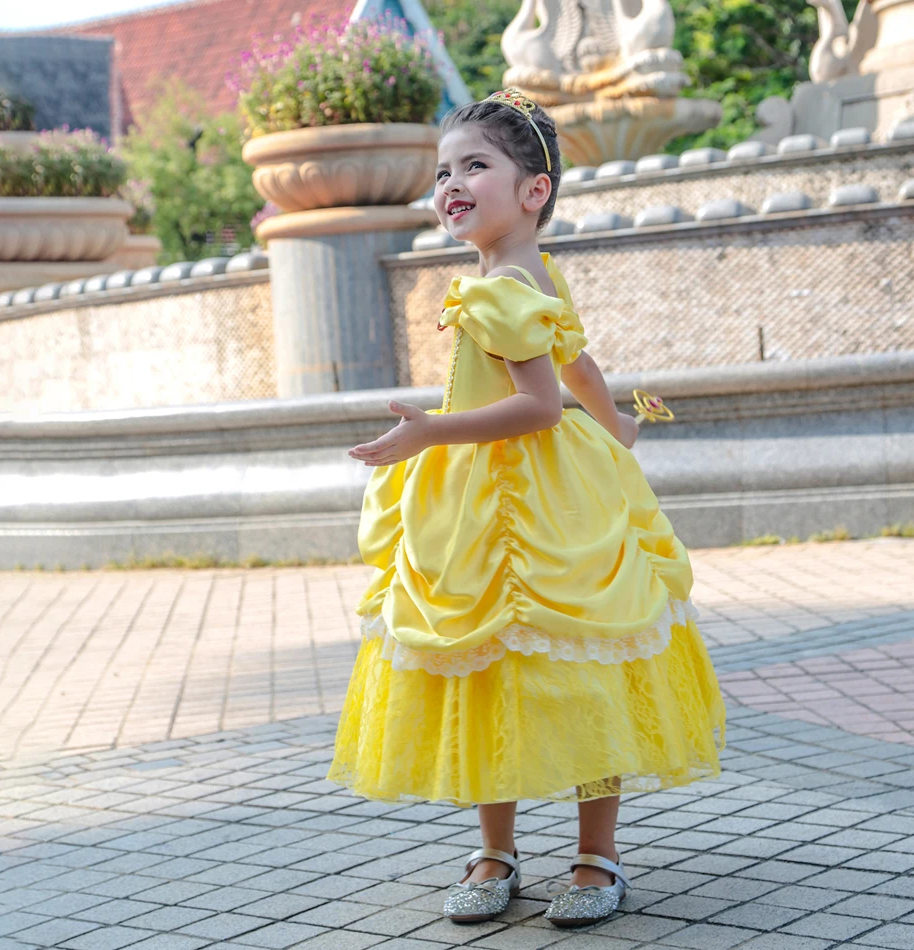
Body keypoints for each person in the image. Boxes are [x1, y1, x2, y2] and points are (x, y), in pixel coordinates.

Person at [326, 88, 726, 929]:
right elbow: (577, 363)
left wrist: (432, 432)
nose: (452, 184)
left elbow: (543, 402)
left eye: (475, 166)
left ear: (533, 190)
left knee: (562, 663)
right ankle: (513, 851)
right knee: (513, 664)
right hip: (505, 498)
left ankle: (578, 855)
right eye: (443, 171)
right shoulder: (524, 271)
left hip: (518, 491)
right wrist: (615, 427)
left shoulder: (500, 286)